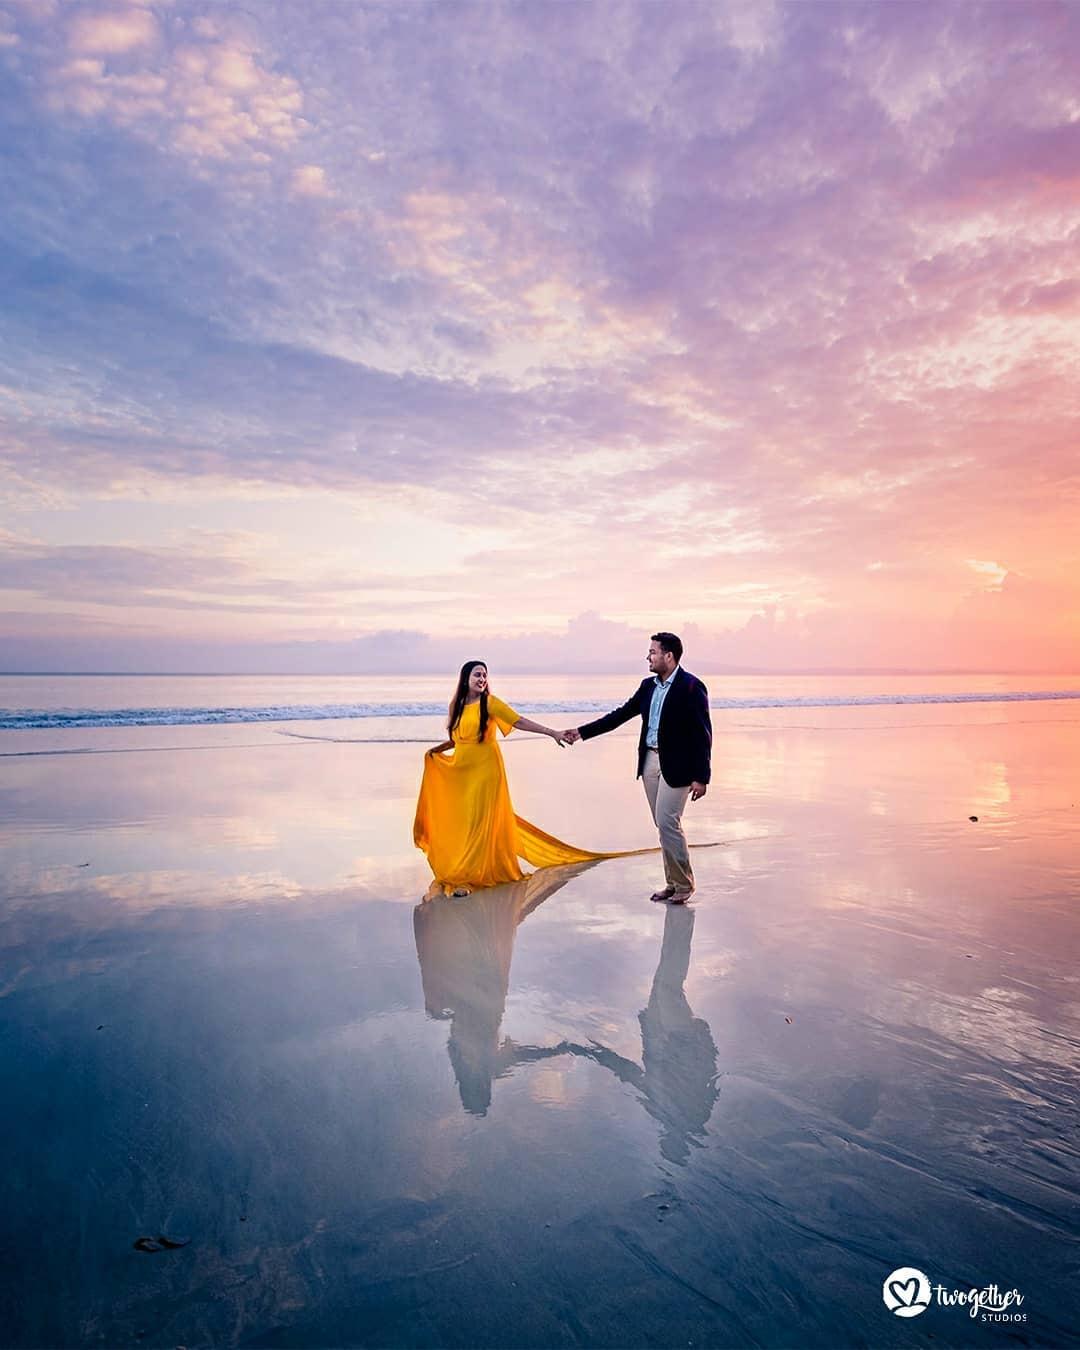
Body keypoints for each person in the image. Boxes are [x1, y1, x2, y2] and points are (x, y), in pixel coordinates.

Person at [413, 660, 629, 895]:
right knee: (464, 821)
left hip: (486, 770)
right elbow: (458, 740)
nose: (482, 679)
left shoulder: (490, 703)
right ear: (465, 678)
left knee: (479, 821)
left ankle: (468, 880)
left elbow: (519, 721)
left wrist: (552, 733)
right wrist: (437, 750)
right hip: (462, 769)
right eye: (477, 674)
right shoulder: (456, 705)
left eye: (485, 675)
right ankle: (465, 870)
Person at [563, 632, 711, 903]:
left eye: (653, 652)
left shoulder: (691, 686)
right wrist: (582, 732)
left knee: (668, 822)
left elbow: (702, 734)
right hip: (649, 762)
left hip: (678, 765)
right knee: (663, 824)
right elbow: (620, 715)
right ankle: (673, 882)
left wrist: (702, 777)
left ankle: (684, 885)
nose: (648, 657)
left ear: (669, 656)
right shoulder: (648, 686)